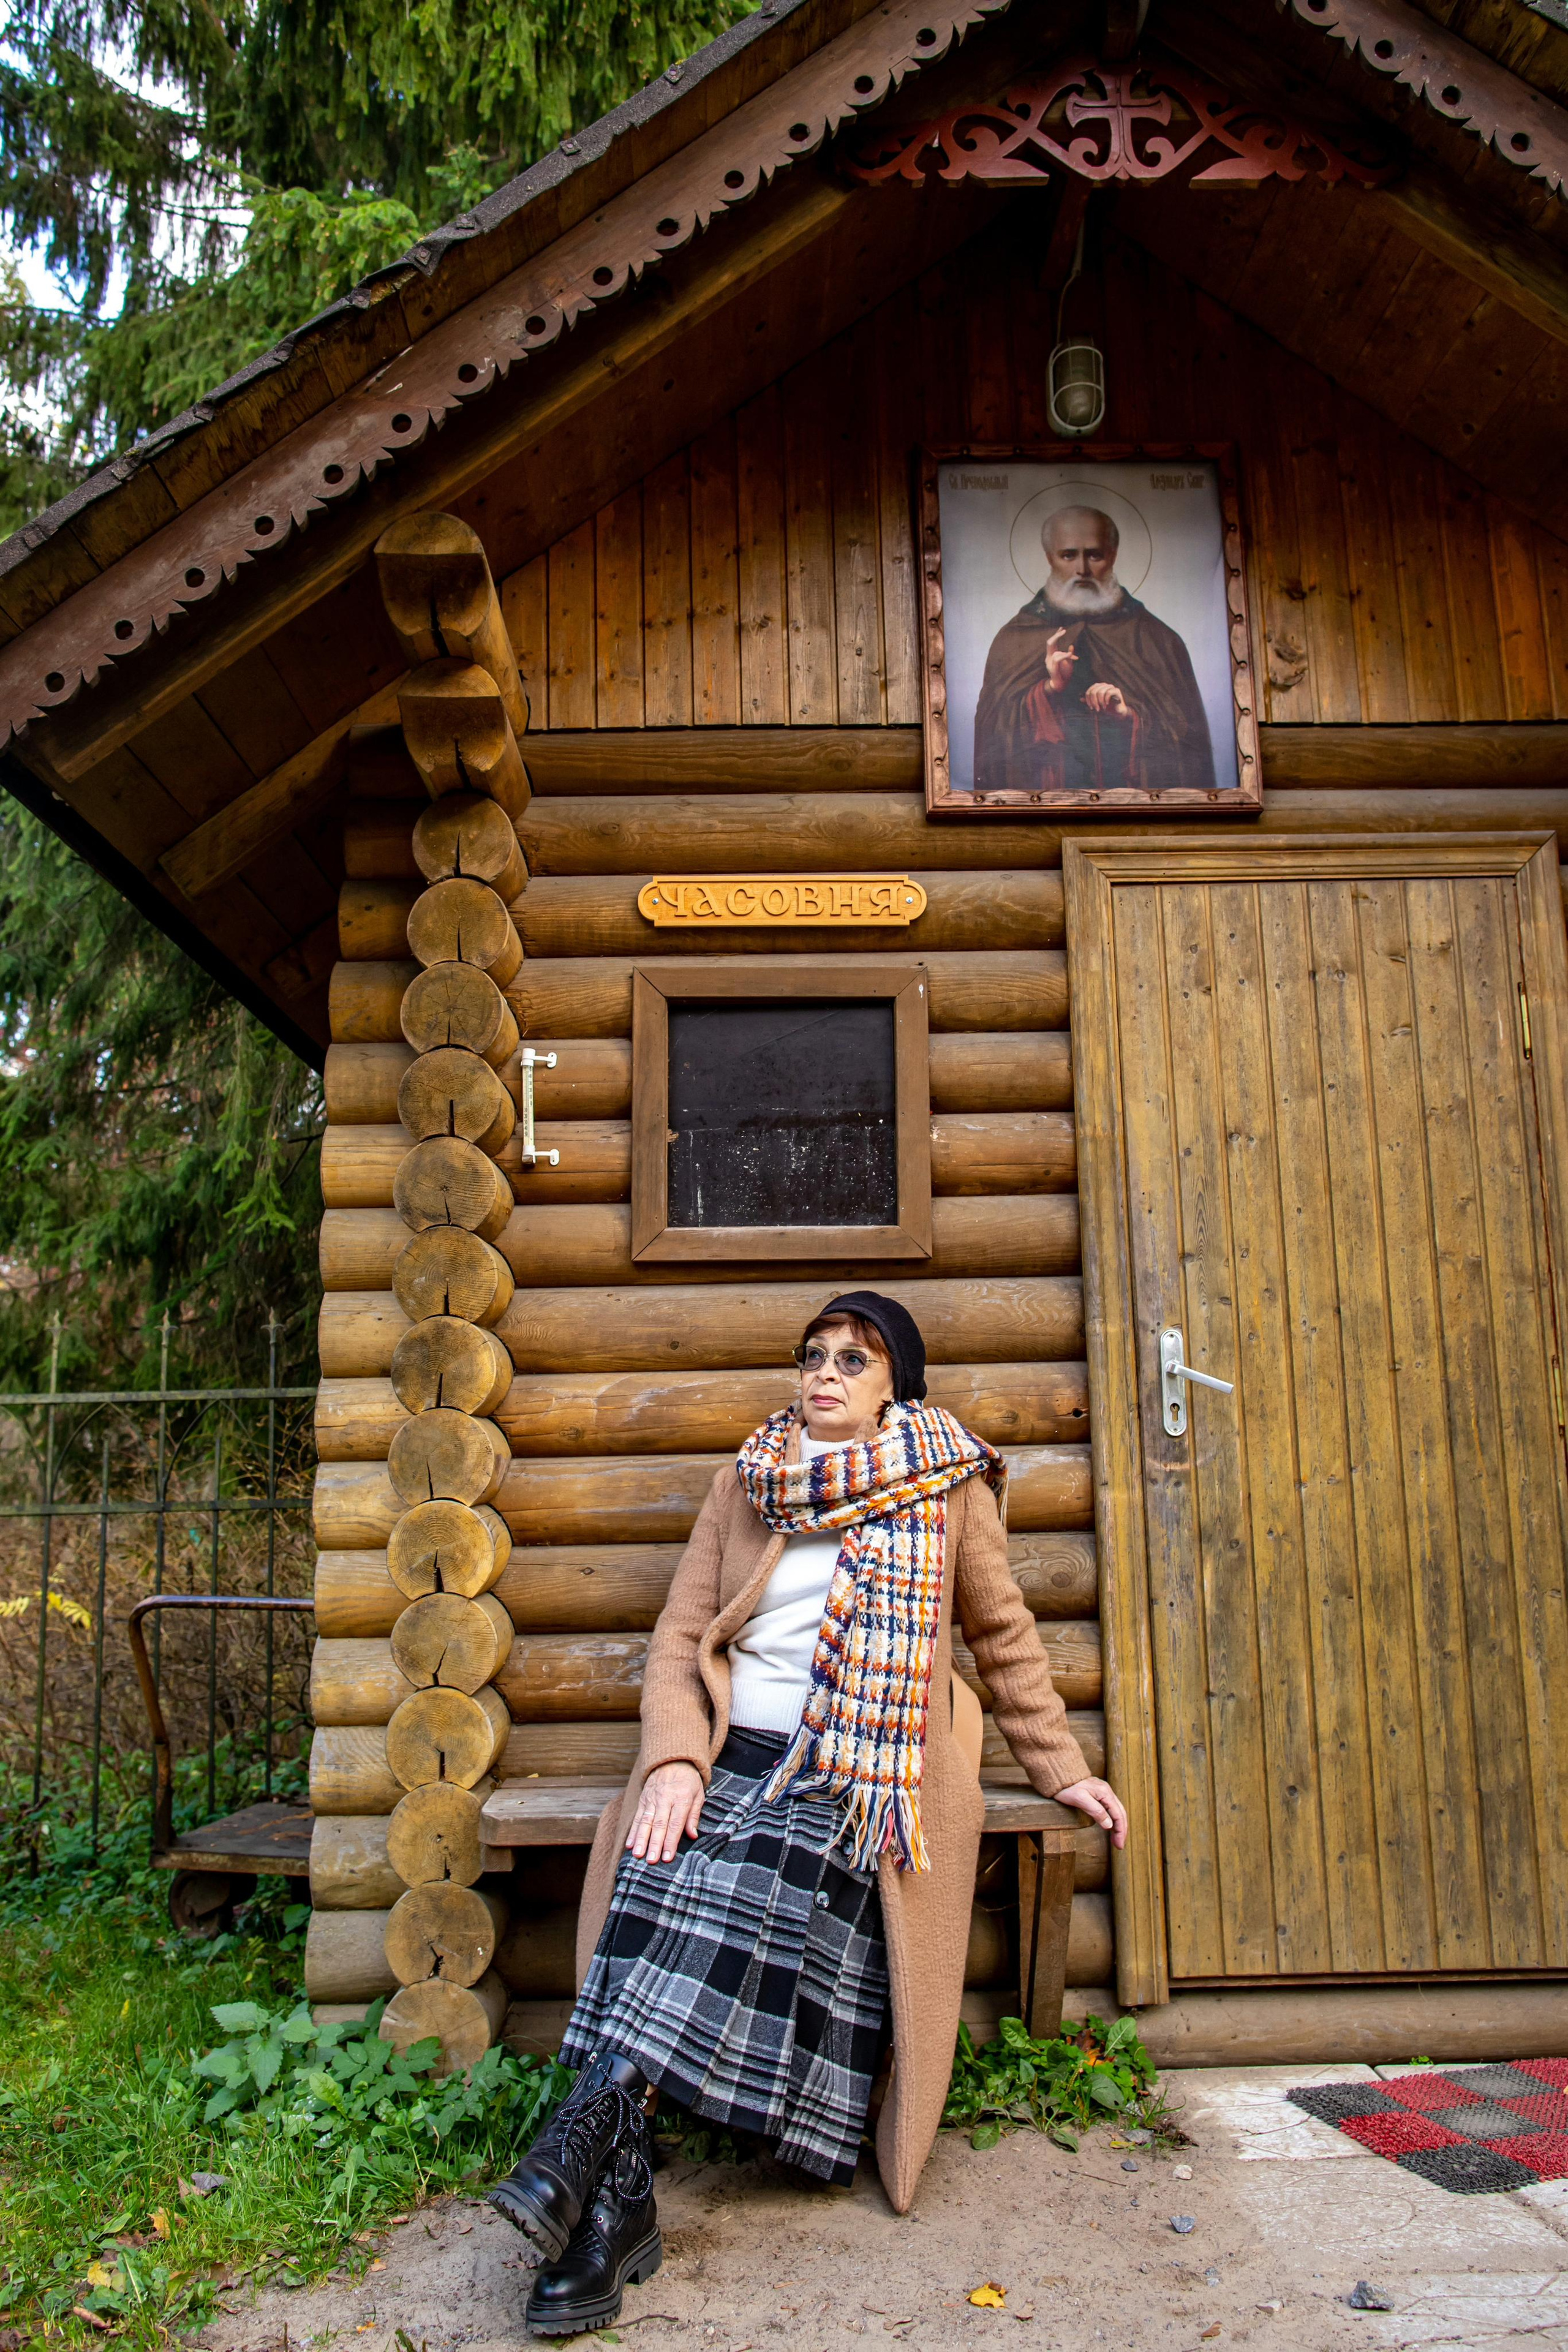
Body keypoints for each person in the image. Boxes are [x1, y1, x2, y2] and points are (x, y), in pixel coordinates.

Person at [490, 1290, 1128, 2337]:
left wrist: (1059, 1767)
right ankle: (609, 2203)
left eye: (855, 1360)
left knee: (755, 1867)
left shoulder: (948, 1488)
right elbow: (677, 1638)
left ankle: (587, 2149)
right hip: (736, 1749)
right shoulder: (747, 1483)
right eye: (813, 1355)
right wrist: (677, 1762)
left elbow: (1002, 1638)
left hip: (863, 1769)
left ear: (895, 1390)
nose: (826, 1373)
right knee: (666, 1847)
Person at [973, 505, 1214, 794]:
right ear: (1050, 557)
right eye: (1069, 555)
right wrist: (1049, 689)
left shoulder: (1158, 640)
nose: (1082, 569)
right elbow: (994, 737)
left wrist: (1129, 716)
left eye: (1095, 555)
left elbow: (1188, 743)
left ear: (1112, 555)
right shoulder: (1015, 639)